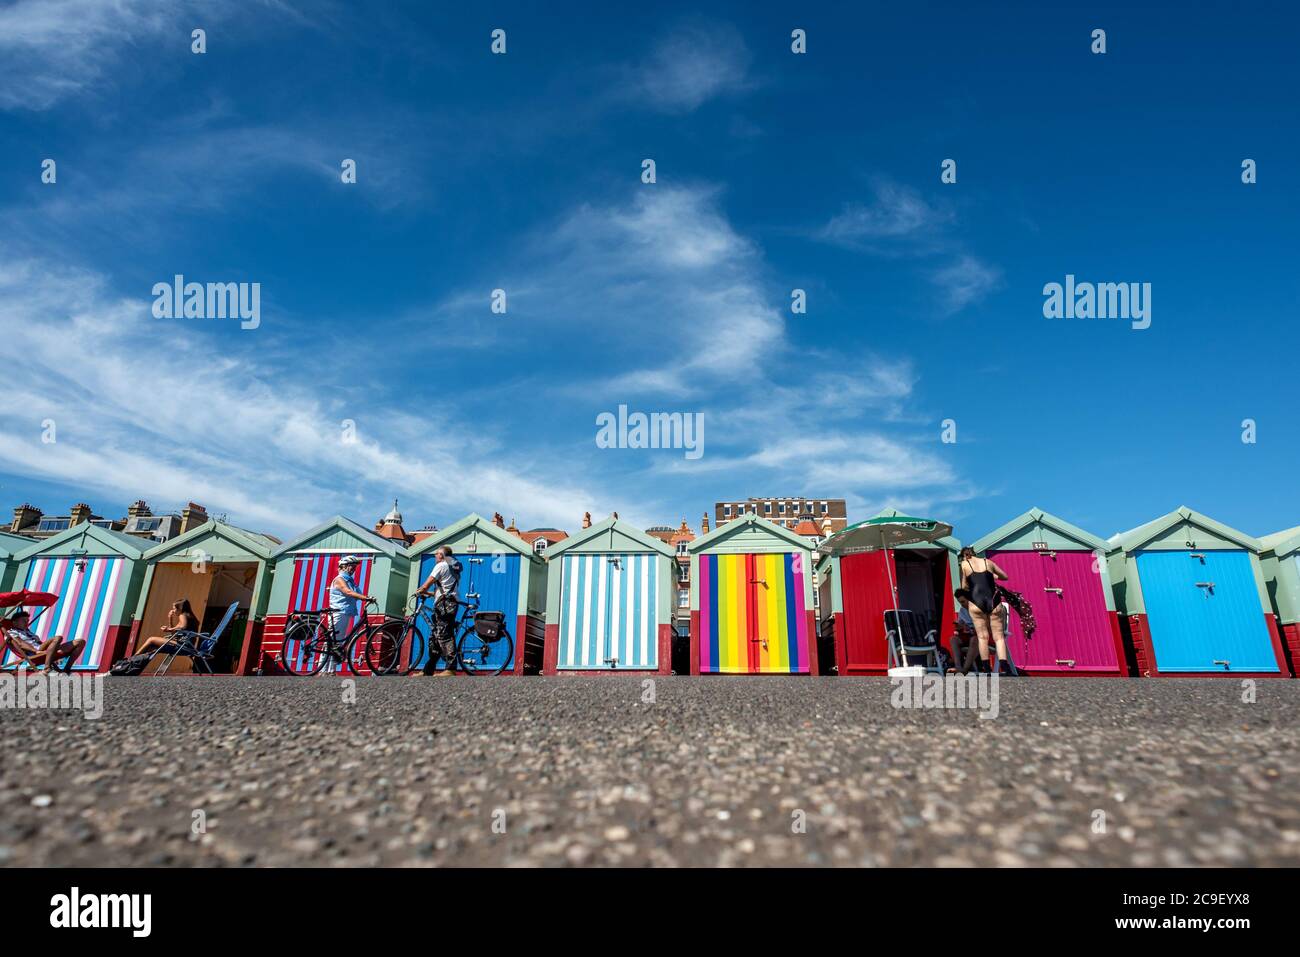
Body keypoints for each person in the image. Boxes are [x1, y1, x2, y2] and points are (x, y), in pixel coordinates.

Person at [411, 546, 462, 677]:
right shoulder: (453, 567)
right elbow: (444, 588)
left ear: (442, 555)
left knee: (445, 635)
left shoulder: (441, 565)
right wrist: (428, 593)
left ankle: (451, 668)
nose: (435, 556)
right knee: (435, 637)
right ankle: (428, 670)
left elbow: (428, 582)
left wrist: (420, 590)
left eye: (436, 554)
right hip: (449, 602)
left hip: (445, 605)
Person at [959, 546, 1011, 673]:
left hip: (976, 602)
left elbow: (964, 586)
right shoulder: (988, 562)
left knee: (982, 637)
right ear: (974, 553)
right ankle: (1005, 666)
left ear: (964, 556)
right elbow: (1005, 576)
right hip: (993, 600)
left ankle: (987, 668)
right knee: (999, 637)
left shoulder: (965, 564)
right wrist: (993, 576)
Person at [0, 609, 84, 671]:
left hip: (44, 651)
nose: (27, 623)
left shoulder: (28, 632)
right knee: (58, 638)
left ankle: (66, 670)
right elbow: (20, 643)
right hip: (35, 653)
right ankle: (47, 667)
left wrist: (53, 649)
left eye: (27, 621)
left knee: (80, 642)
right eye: (24, 621)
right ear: (15, 623)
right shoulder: (11, 632)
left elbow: (40, 643)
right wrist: (36, 651)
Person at [134, 599, 201, 657]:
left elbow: (183, 626)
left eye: (174, 608)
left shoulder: (182, 615)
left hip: (183, 646)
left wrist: (168, 629)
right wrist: (170, 619)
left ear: (180, 609)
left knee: (151, 639)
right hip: (186, 646)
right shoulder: (188, 616)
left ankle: (132, 660)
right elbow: (173, 634)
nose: (173, 611)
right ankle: (135, 662)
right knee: (152, 646)